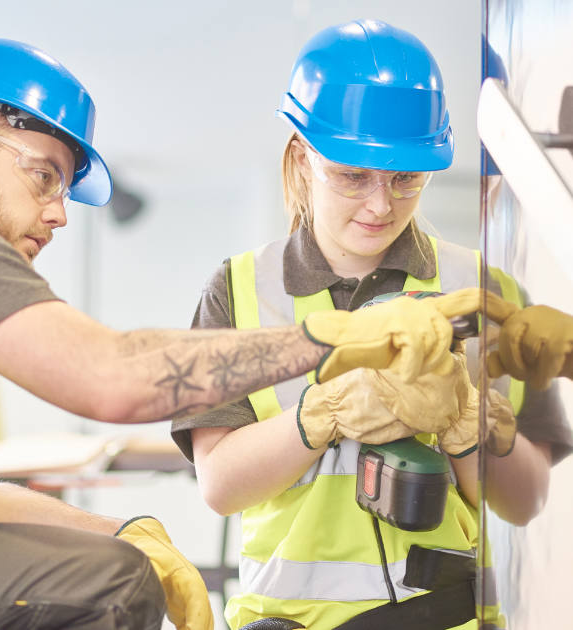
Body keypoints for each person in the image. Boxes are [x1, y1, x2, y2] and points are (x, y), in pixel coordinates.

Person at [0, 37, 474, 630]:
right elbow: (112, 377)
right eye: (43, 177)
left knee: (115, 562)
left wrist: (129, 532)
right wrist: (340, 343)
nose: (60, 213)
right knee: (109, 588)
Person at [170, 19, 573, 630]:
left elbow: (528, 500)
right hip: (290, 620)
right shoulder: (237, 290)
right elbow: (220, 485)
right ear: (304, 158)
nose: (381, 204)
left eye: (406, 177)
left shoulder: (482, 288)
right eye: (353, 176)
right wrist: (323, 412)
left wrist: (469, 425)